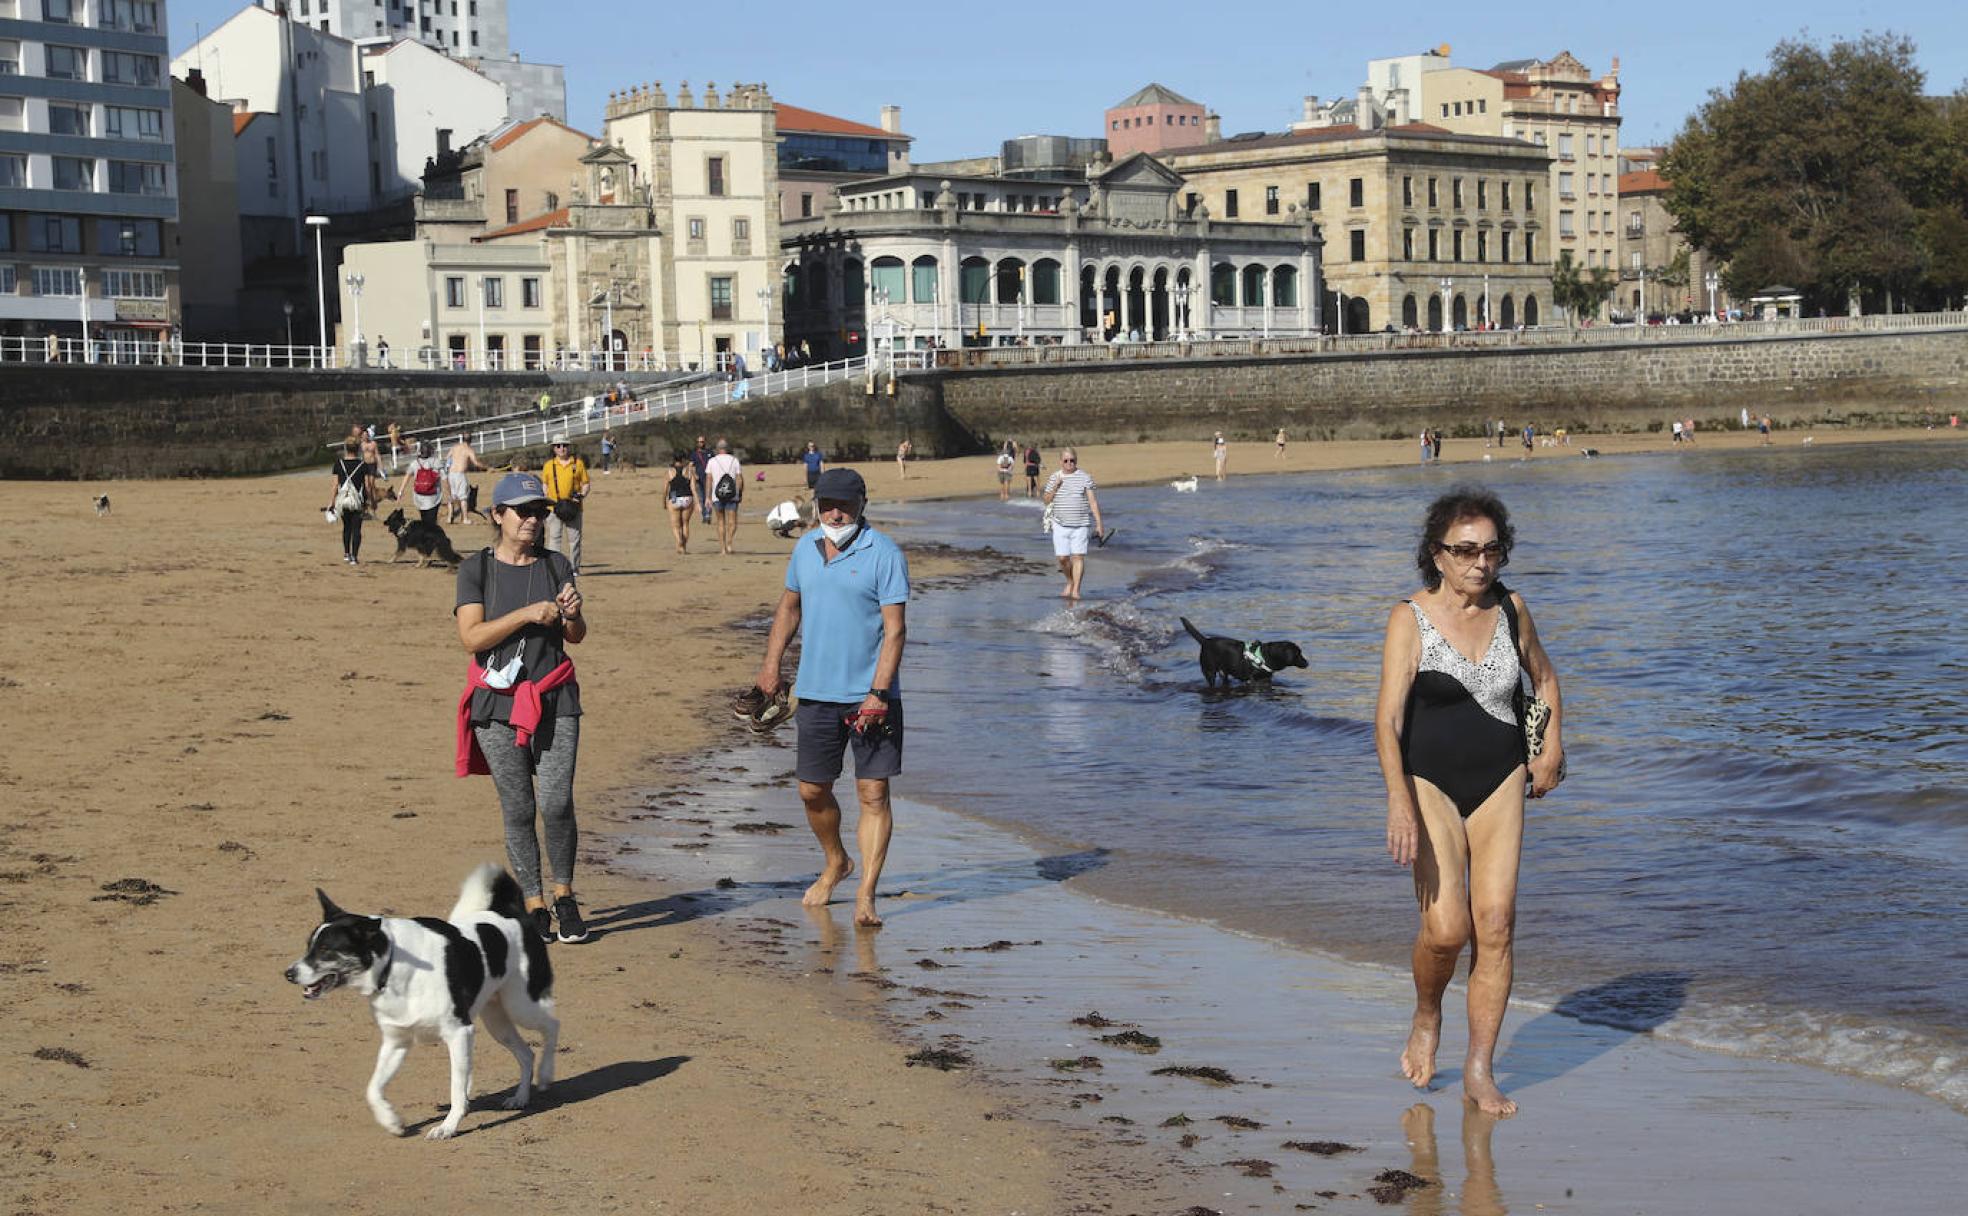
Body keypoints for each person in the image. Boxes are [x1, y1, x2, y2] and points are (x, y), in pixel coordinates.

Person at [1374, 488, 1563, 1118]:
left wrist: (1551, 746)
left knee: (1498, 925)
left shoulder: (1512, 608)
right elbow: (1386, 721)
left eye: (1491, 550)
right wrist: (1398, 801)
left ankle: (1480, 1068)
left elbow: (1546, 677)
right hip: (1429, 782)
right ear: (1438, 555)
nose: (1481, 563)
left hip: (1501, 779)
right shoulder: (1410, 618)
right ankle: (1428, 1015)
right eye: (1466, 551)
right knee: (1448, 928)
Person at [752, 468, 909, 929]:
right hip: (816, 691)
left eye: (843, 504)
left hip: (871, 696)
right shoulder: (803, 549)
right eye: (826, 505)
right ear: (815, 506)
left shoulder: (884, 553)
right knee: (811, 790)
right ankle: (836, 860)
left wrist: (879, 693)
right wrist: (770, 666)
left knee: (873, 792)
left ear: (862, 503)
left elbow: (895, 631)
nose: (835, 513)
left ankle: (865, 895)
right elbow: (789, 607)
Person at [455, 472, 590, 944]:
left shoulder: (555, 565)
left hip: (555, 699)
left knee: (556, 803)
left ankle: (565, 896)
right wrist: (527, 614)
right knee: (517, 808)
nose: (533, 520)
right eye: (523, 511)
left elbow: (576, 637)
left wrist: (571, 614)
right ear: (498, 515)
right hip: (496, 705)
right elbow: (471, 637)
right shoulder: (476, 570)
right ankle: (534, 903)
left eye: (539, 512)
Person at [1042, 448, 1104, 600]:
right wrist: (1056, 486)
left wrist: (1099, 524)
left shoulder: (1085, 477)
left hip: (1081, 525)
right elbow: (1046, 500)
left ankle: (1076, 589)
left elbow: (1092, 502)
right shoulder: (1054, 477)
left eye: (1072, 460)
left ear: (1076, 460)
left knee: (1078, 558)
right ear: (1061, 461)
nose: (1069, 463)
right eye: (1066, 461)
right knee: (1062, 558)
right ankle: (1070, 581)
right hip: (1060, 524)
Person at [541, 435, 590, 573]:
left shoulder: (578, 463)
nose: (562, 448)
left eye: (564, 445)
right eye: (558, 446)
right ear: (554, 449)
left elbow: (585, 484)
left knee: (574, 540)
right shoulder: (548, 465)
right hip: (553, 507)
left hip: (574, 507)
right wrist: (546, 500)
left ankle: (574, 568)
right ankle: (554, 567)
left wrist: (581, 496)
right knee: (554, 539)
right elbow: (545, 485)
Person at [329, 439, 379, 566]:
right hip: (358, 500)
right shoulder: (363, 465)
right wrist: (372, 501)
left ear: (345, 448)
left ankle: (346, 553)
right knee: (357, 529)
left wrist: (332, 502)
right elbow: (368, 486)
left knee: (346, 527)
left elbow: (335, 486)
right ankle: (354, 557)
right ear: (358, 449)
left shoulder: (338, 464)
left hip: (343, 500)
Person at [704, 438, 743, 556]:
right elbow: (739, 479)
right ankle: (730, 543)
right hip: (732, 494)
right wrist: (739, 493)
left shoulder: (712, 461)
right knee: (732, 522)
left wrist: (707, 497)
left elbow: (709, 479)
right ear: (727, 448)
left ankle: (723, 548)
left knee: (720, 521)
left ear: (717, 449)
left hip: (717, 495)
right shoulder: (734, 460)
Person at [397, 440, 445, 527]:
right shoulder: (436, 462)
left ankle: (426, 534)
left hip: (419, 497)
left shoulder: (415, 463)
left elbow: (407, 477)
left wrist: (401, 491)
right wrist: (450, 494)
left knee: (424, 518)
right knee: (432, 521)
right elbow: (445, 478)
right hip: (433, 497)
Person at [447, 436, 488, 525]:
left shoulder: (454, 447)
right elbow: (476, 462)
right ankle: (465, 518)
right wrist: (486, 467)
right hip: (460, 474)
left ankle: (449, 517)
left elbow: (448, 458)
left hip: (451, 473)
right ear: (471, 440)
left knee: (452, 496)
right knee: (463, 497)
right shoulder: (469, 450)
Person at [664, 455, 697, 554]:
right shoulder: (689, 471)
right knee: (685, 523)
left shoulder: (669, 472)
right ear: (683, 460)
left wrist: (663, 501)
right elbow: (693, 489)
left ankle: (679, 542)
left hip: (674, 498)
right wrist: (697, 502)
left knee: (675, 525)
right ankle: (683, 547)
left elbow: (665, 490)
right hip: (687, 497)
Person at [690, 435, 714, 524]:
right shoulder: (694, 454)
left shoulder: (710, 453)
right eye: (699, 442)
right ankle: (704, 515)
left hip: (709, 478)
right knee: (702, 497)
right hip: (699, 478)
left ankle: (708, 514)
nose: (701, 443)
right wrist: (694, 474)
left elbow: (714, 463)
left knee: (709, 497)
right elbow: (691, 466)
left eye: (702, 442)